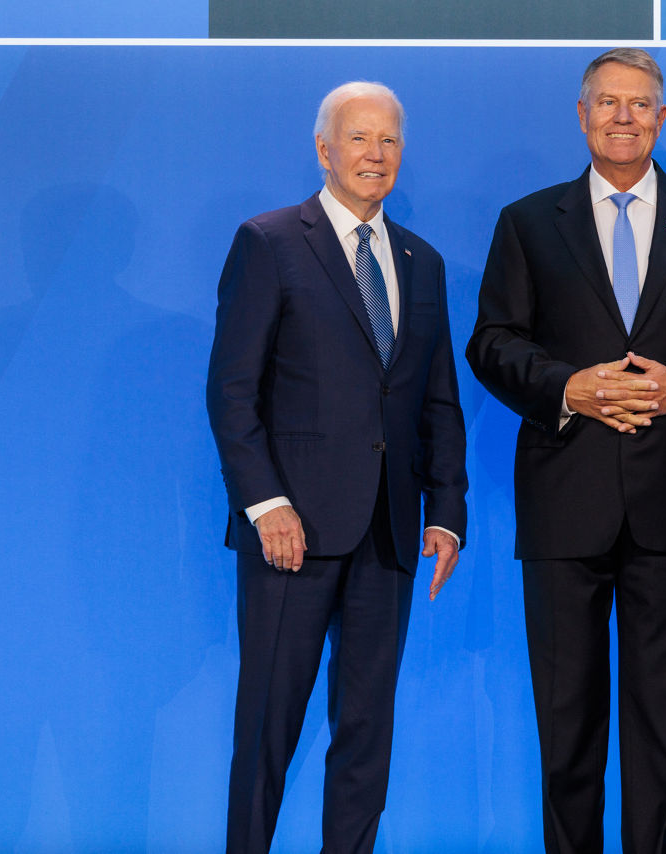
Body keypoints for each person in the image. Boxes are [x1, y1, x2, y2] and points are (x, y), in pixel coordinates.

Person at [466, 48, 666, 854]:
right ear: (582, 115)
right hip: (566, 503)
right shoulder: (529, 221)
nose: (625, 117)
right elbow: (492, 342)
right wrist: (571, 388)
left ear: (662, 119)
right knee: (566, 730)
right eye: (609, 103)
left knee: (659, 731)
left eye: (641, 104)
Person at [205, 81, 468, 853]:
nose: (374, 154)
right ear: (324, 150)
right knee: (267, 731)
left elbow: (437, 400)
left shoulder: (423, 261)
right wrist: (264, 505)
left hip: (388, 534)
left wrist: (446, 512)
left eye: (388, 141)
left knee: (365, 735)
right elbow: (231, 393)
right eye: (359, 138)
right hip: (294, 534)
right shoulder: (271, 241)